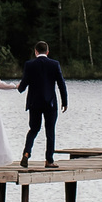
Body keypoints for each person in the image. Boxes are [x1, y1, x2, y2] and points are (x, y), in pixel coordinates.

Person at [17, 41, 68, 169]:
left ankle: (27, 153)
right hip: (50, 103)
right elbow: (61, 84)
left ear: (36, 52)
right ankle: (49, 160)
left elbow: (23, 85)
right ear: (47, 52)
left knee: (34, 129)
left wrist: (18, 88)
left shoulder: (29, 64)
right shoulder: (54, 64)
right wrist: (65, 101)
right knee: (50, 131)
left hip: (34, 103)